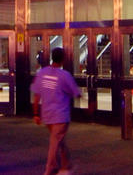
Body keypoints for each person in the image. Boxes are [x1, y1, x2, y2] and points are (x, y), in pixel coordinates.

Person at [31, 46, 81, 175]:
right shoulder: (65, 75)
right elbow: (76, 92)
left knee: (57, 139)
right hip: (61, 115)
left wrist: (36, 114)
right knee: (56, 142)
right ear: (63, 59)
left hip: (47, 114)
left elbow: (36, 95)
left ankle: (66, 166)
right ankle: (50, 169)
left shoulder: (42, 73)